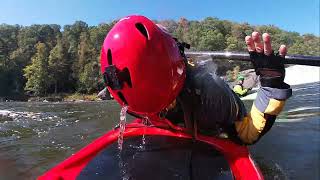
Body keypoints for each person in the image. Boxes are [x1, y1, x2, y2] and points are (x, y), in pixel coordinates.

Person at [101, 15, 292, 145]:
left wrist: (270, 86)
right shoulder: (124, 89)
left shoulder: (211, 93)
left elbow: (248, 133)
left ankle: (243, 83)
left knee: (237, 89)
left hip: (221, 97)